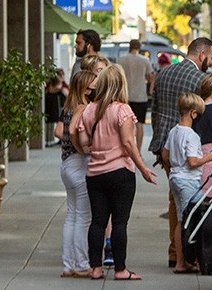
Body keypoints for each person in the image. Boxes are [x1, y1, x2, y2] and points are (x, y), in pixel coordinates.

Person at [75, 63, 157, 281]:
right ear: (121, 84)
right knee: (119, 222)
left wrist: (93, 149)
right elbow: (129, 144)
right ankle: (120, 269)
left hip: (95, 174)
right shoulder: (122, 110)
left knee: (98, 221)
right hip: (120, 172)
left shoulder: (89, 110)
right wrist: (143, 169)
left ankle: (95, 268)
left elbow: (82, 142)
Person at [149, 37, 212, 268]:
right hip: (189, 148)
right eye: (211, 58)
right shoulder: (201, 79)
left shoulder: (164, 73)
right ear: (201, 55)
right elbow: (204, 116)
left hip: (167, 144)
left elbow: (156, 109)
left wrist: (160, 143)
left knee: (174, 200)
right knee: (191, 203)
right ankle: (188, 254)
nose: (211, 62)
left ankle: (174, 252)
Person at [163, 92, 212, 273]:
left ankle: (180, 261)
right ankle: (190, 260)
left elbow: (165, 155)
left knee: (180, 220)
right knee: (192, 221)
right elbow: (193, 161)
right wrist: (208, 158)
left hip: (175, 178)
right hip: (189, 180)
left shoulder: (174, 131)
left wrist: (173, 168)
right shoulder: (192, 136)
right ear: (194, 114)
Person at [57, 69, 97, 278]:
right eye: (92, 85)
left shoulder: (68, 106)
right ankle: (81, 265)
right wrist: (83, 149)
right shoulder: (82, 107)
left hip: (66, 165)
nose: (95, 88)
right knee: (82, 218)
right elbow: (73, 131)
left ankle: (68, 265)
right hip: (79, 164)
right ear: (84, 87)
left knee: (72, 217)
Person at [118, 39, 155, 151]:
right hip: (140, 96)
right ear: (139, 47)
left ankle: (126, 150)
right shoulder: (144, 60)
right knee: (140, 124)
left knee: (125, 124)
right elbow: (150, 76)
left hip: (125, 95)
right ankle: (138, 151)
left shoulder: (122, 60)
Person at [44, 71, 66, 147]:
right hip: (55, 108)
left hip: (53, 108)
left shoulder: (49, 86)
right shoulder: (60, 86)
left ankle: (51, 140)